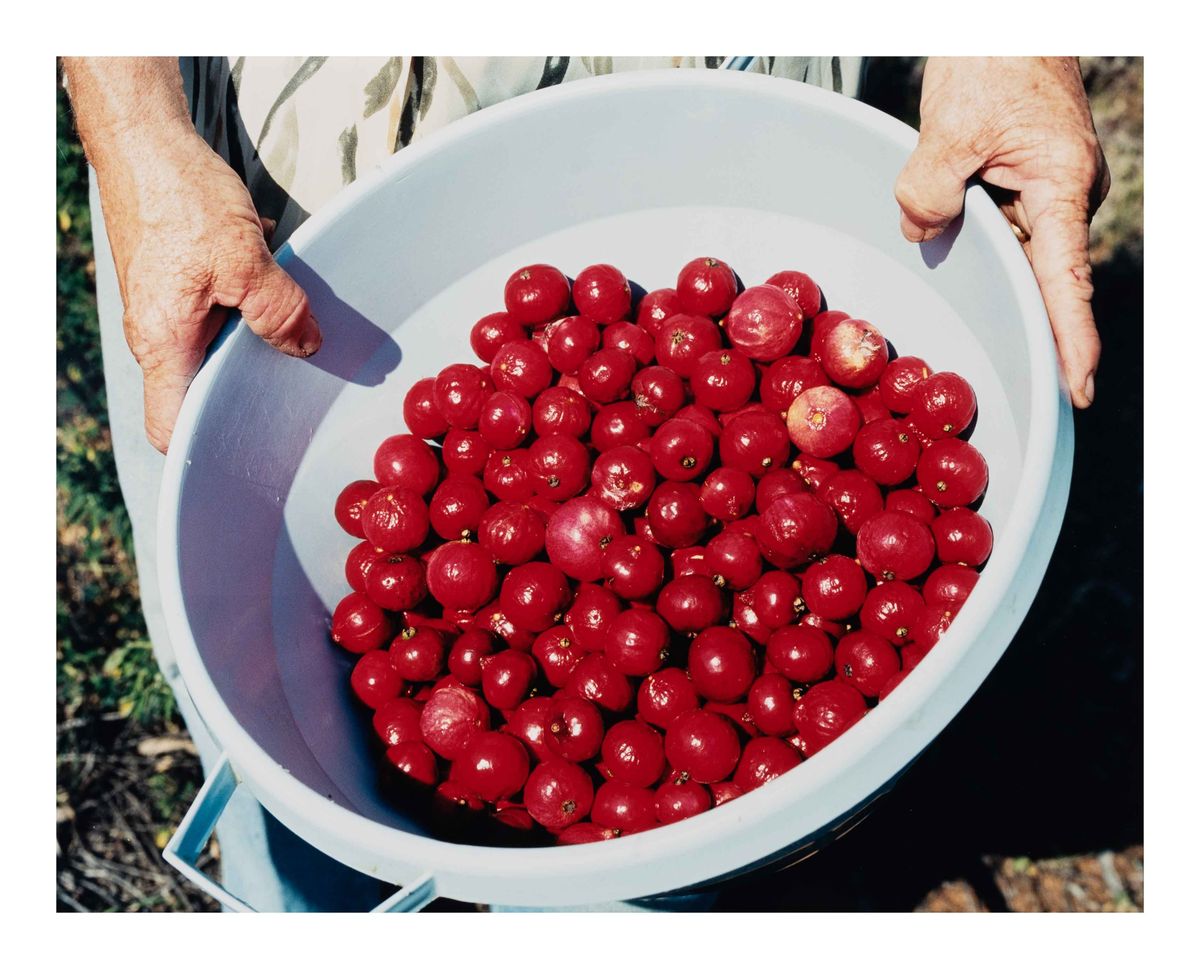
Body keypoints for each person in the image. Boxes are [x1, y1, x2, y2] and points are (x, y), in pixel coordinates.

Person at [61, 56, 1109, 912]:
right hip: (296, 121)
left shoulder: (658, 495)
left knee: (718, 853)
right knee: (288, 803)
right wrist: (139, 142)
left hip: (721, 63)